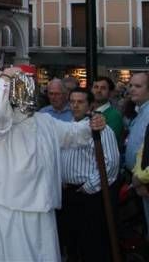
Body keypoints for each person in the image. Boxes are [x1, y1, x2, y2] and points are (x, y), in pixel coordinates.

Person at [0, 67, 107, 261]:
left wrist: (93, 123)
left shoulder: (45, 121)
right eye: (21, 86)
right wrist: (4, 79)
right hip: (8, 210)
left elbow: (73, 133)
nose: (27, 92)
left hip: (42, 209)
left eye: (30, 86)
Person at [57, 87, 119, 262]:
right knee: (72, 245)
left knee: (92, 246)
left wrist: (88, 187)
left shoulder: (101, 129)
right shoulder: (67, 128)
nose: (75, 105)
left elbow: (111, 163)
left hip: (89, 195)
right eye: (72, 101)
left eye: (80, 102)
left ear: (91, 105)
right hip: (67, 195)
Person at [125, 73, 149, 230]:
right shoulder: (141, 111)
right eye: (131, 85)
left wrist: (141, 180)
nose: (132, 89)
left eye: (138, 86)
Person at [92, 76, 124, 141]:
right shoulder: (88, 111)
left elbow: (108, 141)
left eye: (103, 88)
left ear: (110, 93)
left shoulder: (114, 115)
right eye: (96, 87)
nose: (98, 90)